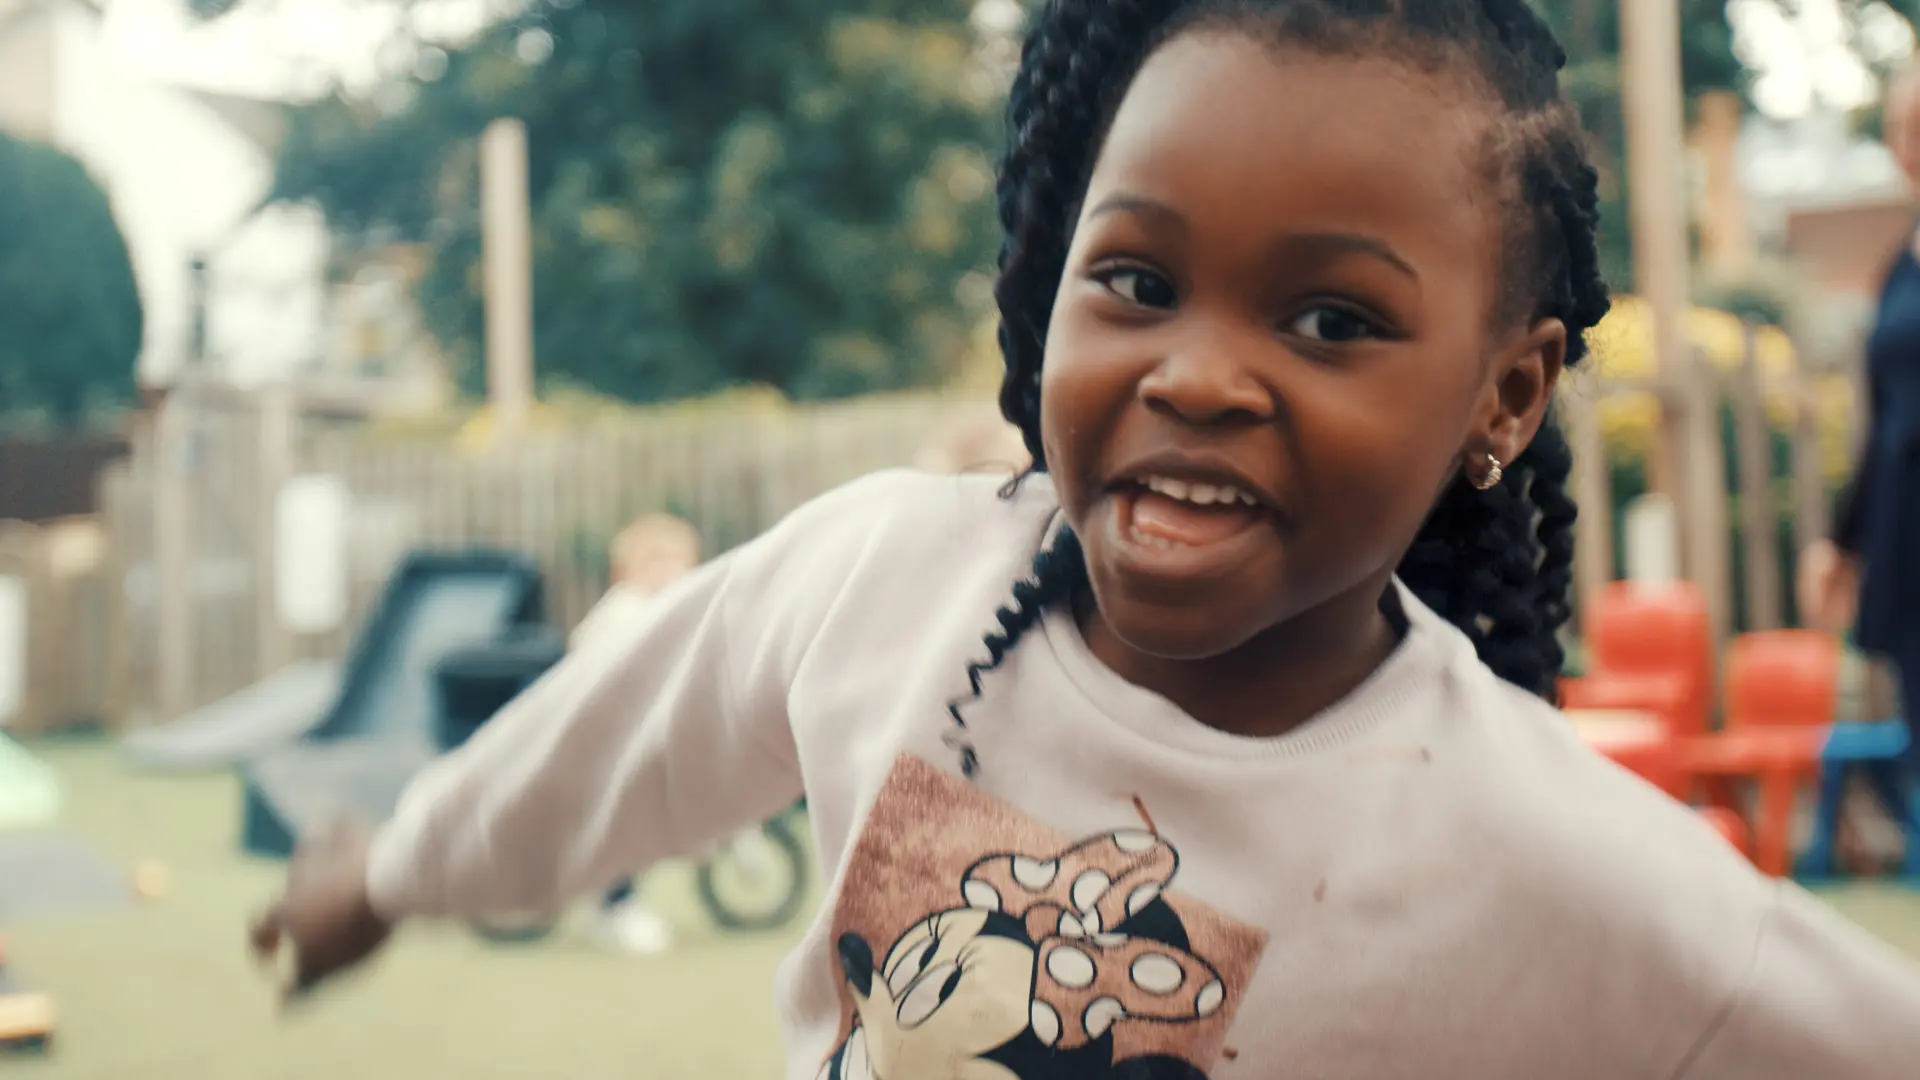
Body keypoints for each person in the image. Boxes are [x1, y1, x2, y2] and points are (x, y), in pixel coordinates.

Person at [250, 2, 1920, 1076]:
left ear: (1505, 396)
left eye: (1332, 318)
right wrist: (391, 870)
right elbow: (618, 748)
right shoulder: (882, 584)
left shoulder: (1551, 855)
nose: (1198, 372)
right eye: (1134, 280)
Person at [1801, 65, 1920, 764]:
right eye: (1903, 130)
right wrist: (1842, 548)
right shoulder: (1898, 272)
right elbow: (1884, 427)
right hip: (1908, 542)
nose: (1911, 146)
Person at [574, 513, 704, 956]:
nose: (669, 574)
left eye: (678, 563)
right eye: (656, 563)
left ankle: (611, 904)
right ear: (627, 571)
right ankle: (618, 906)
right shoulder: (626, 612)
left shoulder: (658, 612)